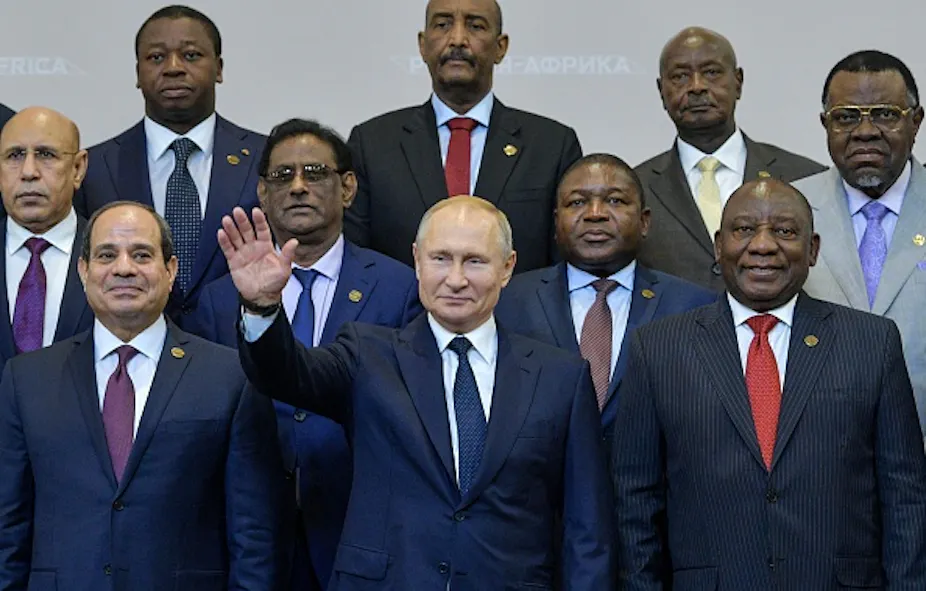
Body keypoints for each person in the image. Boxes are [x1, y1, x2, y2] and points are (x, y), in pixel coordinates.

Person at [223, 196, 613, 589]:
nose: (456, 279)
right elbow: (285, 375)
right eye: (441, 258)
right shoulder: (368, 354)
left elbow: (588, 530)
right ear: (417, 259)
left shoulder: (560, 377)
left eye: (475, 261)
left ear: (507, 267)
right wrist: (261, 307)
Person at [612, 178, 926, 589]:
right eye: (744, 230)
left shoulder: (871, 342)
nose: (763, 246)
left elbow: (905, 499)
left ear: (812, 249)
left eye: (785, 231)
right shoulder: (658, 348)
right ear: (718, 245)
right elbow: (636, 502)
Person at [0, 201, 287, 590]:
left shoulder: (230, 377)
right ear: (83, 271)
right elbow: (8, 529)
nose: (123, 268)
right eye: (106, 255)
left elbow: (254, 537)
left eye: (141, 254)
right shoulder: (27, 379)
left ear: (170, 271)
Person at [192, 118, 422, 590]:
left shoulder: (400, 289)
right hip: (248, 537)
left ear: (348, 187)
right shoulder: (218, 302)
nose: (298, 187)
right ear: (261, 191)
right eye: (283, 176)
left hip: (360, 527)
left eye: (315, 173)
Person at [496, 153, 715, 453]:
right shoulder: (507, 301)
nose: (595, 214)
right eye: (577, 202)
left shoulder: (694, 307)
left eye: (614, 201)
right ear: (556, 221)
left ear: (645, 221)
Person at [345, 0, 582, 273]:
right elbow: (357, 262)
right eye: (443, 24)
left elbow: (563, 266)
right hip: (402, 315)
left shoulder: (552, 145)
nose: (457, 39)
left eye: (476, 26)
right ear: (422, 45)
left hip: (516, 314)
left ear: (501, 47)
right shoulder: (372, 143)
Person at [75, 5, 266, 329]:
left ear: (219, 68)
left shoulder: (265, 159)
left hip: (243, 357)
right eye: (156, 57)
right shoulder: (95, 168)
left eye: (191, 55)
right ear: (137, 73)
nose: (173, 68)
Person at [794, 50, 926, 438]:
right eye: (846, 117)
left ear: (916, 121)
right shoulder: (789, 214)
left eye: (885, 114)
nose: (865, 131)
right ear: (825, 124)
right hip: (820, 458)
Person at [635, 27, 825, 291]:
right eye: (680, 76)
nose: (697, 86)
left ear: (738, 82)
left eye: (711, 72)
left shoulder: (804, 177)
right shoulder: (635, 189)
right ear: (661, 90)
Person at [0, 107, 93, 369]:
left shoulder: (111, 257)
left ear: (77, 168)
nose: (29, 172)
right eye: (14, 156)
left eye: (46, 155)